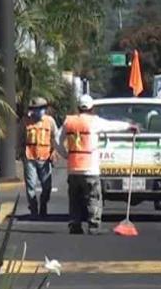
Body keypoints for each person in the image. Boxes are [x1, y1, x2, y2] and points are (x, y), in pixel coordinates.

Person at [58, 94, 137, 235]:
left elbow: (57, 140)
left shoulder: (68, 122)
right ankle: (94, 226)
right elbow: (112, 125)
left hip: (73, 168)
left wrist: (66, 155)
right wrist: (129, 127)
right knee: (93, 197)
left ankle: (75, 225)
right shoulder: (94, 122)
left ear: (78, 108)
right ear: (91, 108)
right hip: (90, 168)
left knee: (75, 199)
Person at [18, 97, 58, 219]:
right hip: (30, 157)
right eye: (36, 109)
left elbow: (55, 137)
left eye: (41, 108)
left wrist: (54, 151)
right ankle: (34, 208)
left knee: (47, 186)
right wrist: (19, 152)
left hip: (45, 158)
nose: (39, 111)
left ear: (45, 109)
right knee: (31, 186)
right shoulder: (25, 121)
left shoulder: (50, 121)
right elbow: (20, 137)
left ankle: (43, 205)